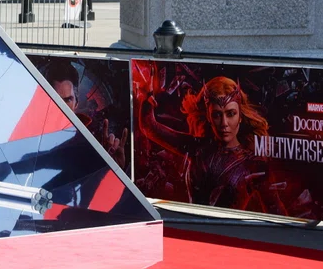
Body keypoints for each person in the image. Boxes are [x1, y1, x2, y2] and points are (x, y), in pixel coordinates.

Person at [137, 75, 284, 214]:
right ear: (208, 116)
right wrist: (148, 96)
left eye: (231, 113)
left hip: (227, 235)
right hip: (194, 229)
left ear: (240, 116)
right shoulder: (198, 147)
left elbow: (277, 214)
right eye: (217, 114)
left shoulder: (254, 164)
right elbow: (150, 128)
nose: (224, 124)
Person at [44, 60, 127, 168]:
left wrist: (111, 169)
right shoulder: (31, 133)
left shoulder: (92, 140)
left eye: (67, 100)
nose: (61, 106)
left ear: (76, 103)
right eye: (55, 99)